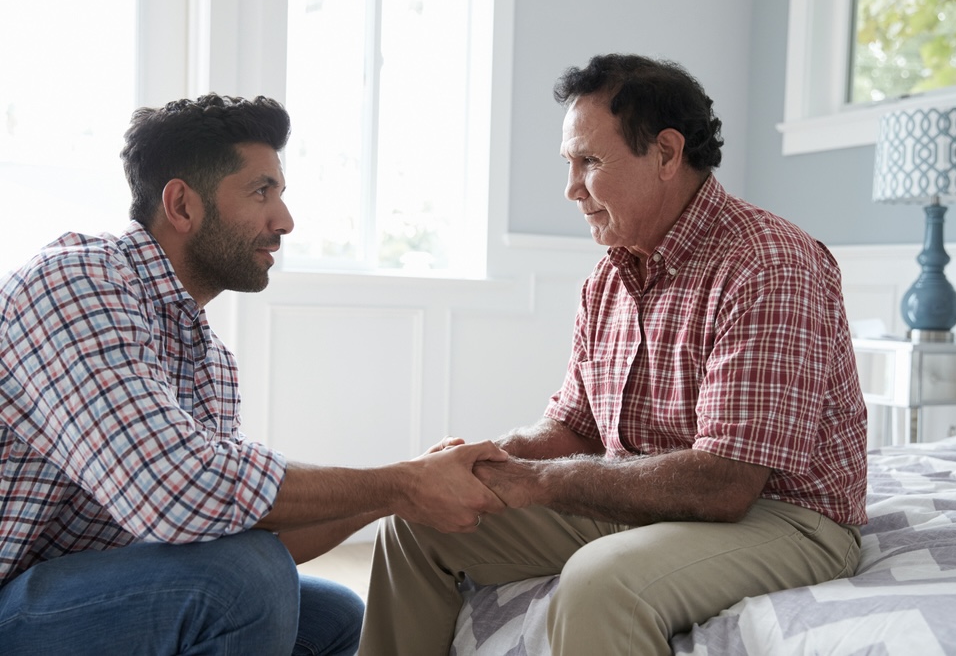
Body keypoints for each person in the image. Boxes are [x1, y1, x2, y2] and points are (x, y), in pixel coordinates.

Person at [358, 54, 869, 655]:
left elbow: (726, 485)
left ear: (666, 153)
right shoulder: (610, 276)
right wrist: (485, 461)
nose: (571, 188)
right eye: (569, 163)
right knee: (417, 524)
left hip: (784, 517)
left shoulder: (769, 264)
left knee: (602, 583)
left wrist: (539, 482)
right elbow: (574, 426)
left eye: (590, 162)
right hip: (646, 498)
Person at [0, 93, 507, 655]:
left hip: (78, 592)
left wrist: (403, 491)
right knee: (240, 579)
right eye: (261, 191)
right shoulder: (76, 284)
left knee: (331, 615)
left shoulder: (206, 358)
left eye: (281, 194)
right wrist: (400, 481)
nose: (284, 221)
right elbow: (177, 489)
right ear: (182, 205)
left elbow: (242, 524)